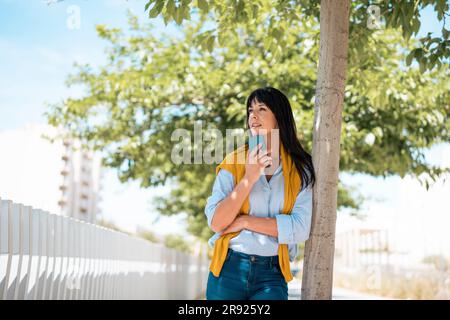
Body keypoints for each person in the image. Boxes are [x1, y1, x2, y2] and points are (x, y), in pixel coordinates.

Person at [204, 86, 316, 300]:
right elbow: (217, 223)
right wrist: (249, 177)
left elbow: (300, 229)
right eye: (250, 110)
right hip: (229, 269)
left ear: (279, 117)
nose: (253, 116)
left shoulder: (302, 169)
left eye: (261, 109)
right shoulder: (233, 162)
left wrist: (244, 221)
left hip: (272, 274)